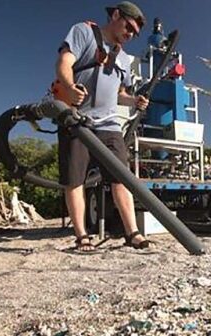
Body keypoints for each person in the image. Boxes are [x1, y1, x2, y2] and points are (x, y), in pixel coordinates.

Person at [55, 1, 150, 251]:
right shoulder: (84, 32)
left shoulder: (125, 58)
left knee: (122, 178)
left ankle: (133, 233)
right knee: (75, 180)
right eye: (128, 27)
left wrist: (134, 100)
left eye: (135, 33)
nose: (130, 34)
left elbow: (120, 93)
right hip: (77, 120)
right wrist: (69, 87)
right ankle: (82, 237)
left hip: (109, 124)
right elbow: (64, 62)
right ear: (116, 15)